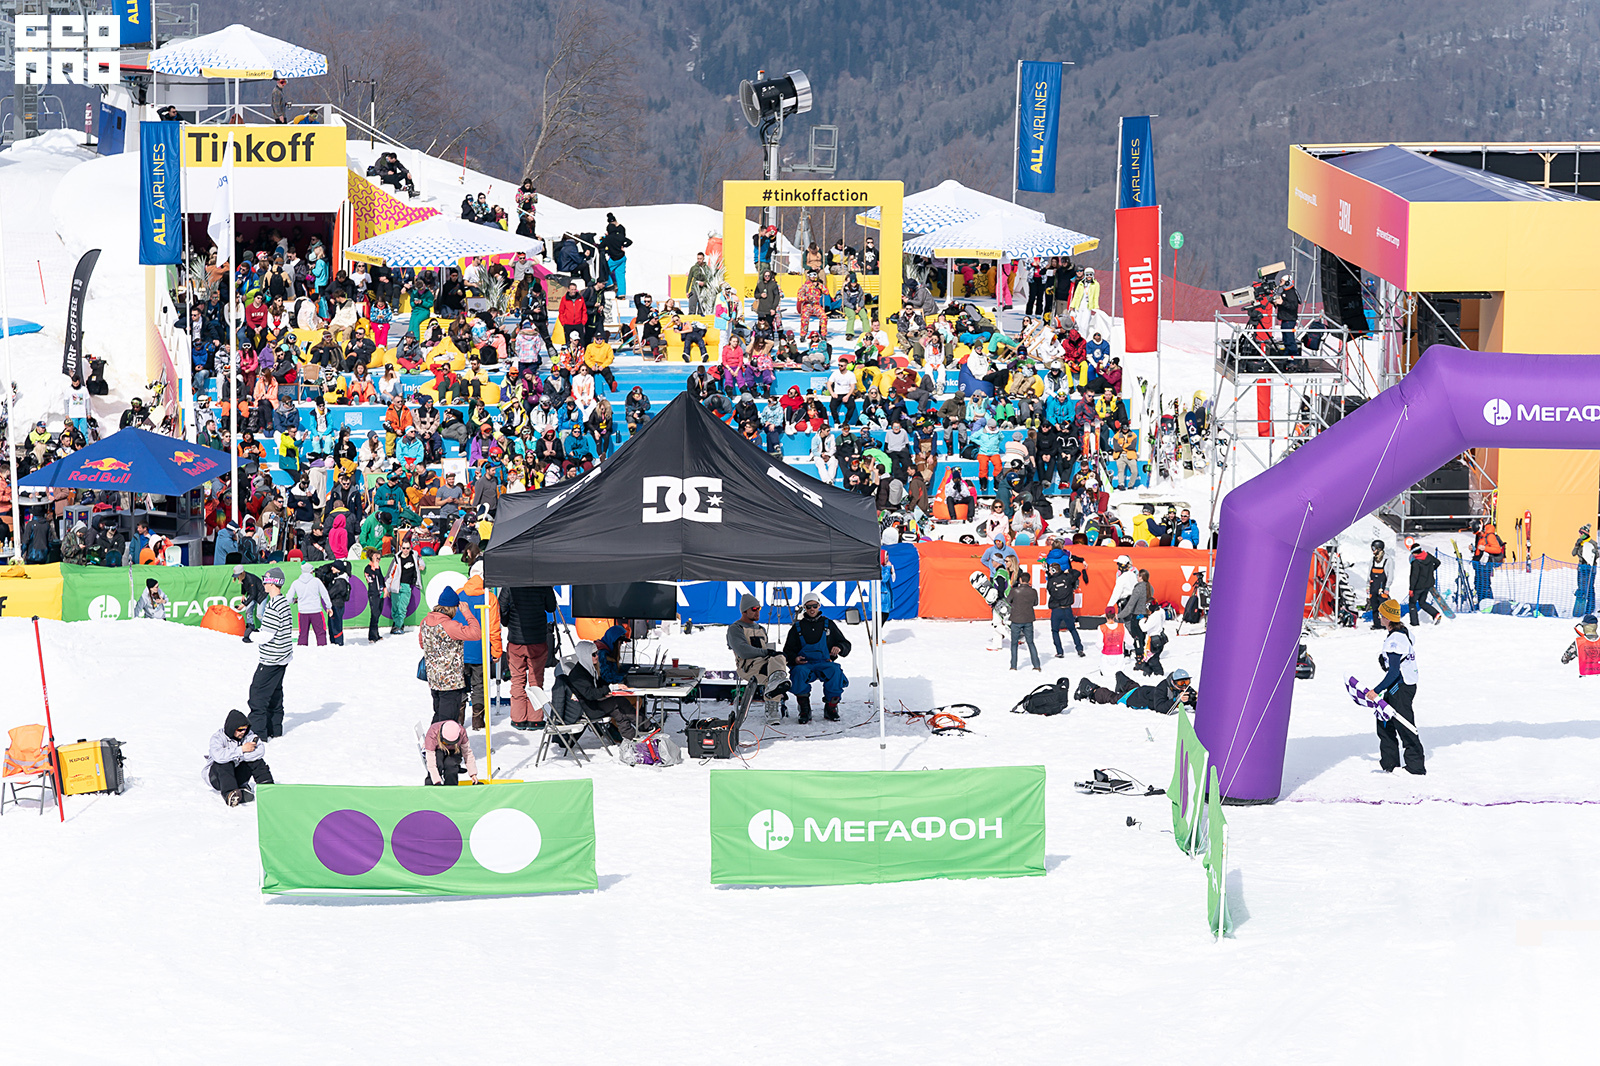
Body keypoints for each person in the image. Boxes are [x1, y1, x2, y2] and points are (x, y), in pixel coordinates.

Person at [1364, 597, 1425, 775]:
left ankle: (1415, 767)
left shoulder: (1396, 640)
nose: (1379, 617)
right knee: (1384, 722)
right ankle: (1389, 764)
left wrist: (1376, 691)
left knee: (1404, 724)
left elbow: (1393, 673)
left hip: (1400, 686)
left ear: (1388, 618)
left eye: (1381, 615)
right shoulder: (1403, 632)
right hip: (1398, 685)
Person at [549, 640, 646, 741]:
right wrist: (609, 689)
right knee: (619, 701)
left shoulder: (589, 669)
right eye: (593, 654)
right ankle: (645, 726)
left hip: (592, 704)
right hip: (588, 709)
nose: (597, 656)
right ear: (585, 656)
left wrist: (608, 690)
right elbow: (590, 694)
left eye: (597, 653)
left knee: (618, 712)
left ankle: (631, 737)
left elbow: (599, 684)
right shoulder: (579, 675)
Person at [782, 592, 852, 723]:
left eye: (814, 606)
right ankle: (804, 709)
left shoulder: (828, 624)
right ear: (804, 608)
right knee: (798, 673)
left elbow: (845, 644)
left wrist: (839, 647)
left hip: (824, 662)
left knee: (835, 671)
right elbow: (787, 651)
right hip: (805, 664)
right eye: (808, 607)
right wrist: (795, 659)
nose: (812, 609)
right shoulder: (797, 627)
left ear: (819, 605)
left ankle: (831, 707)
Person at [419, 585, 482, 725]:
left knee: (439, 715)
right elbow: (476, 633)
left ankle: (433, 738)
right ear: (454, 608)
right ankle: (441, 740)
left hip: (434, 679)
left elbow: (422, 643)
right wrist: (467, 613)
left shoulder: (425, 621)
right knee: (447, 722)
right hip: (450, 682)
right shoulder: (450, 626)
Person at [499, 584, 558, 731]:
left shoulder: (510, 583)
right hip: (537, 639)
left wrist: (507, 622)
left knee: (517, 680)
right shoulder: (542, 582)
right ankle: (535, 719)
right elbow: (551, 607)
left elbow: (501, 606)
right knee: (536, 680)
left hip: (516, 640)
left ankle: (518, 719)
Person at [246, 568, 295, 740]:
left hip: (271, 659)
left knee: (257, 696)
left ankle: (258, 735)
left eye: (265, 581)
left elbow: (267, 635)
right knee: (275, 694)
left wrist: (250, 635)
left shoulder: (273, 606)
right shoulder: (283, 602)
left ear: (273, 583)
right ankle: (274, 729)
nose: (263, 584)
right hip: (282, 657)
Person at [727, 592, 791, 719]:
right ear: (744, 611)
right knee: (775, 674)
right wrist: (766, 652)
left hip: (765, 664)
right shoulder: (736, 628)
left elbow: (767, 650)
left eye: (759, 608)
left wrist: (772, 653)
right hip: (748, 667)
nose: (757, 612)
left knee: (779, 659)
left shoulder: (761, 628)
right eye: (754, 609)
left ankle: (774, 691)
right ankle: (772, 706)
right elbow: (743, 651)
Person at [457, 562, 503, 731]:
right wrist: (497, 651)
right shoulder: (489, 597)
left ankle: (458, 718)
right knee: (480, 685)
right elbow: (494, 628)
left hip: (460, 649)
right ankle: (478, 720)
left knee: (460, 684)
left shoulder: (458, 593)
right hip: (480, 650)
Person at [204, 709, 275, 807]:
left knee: (256, 761)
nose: (243, 732)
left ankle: (268, 788)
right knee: (225, 762)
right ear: (232, 728)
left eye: (245, 729)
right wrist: (242, 750)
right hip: (217, 778)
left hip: (236, 774)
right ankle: (230, 794)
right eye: (240, 730)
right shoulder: (218, 738)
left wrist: (240, 756)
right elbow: (219, 756)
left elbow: (260, 751)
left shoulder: (249, 735)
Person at [1077, 667, 1196, 714]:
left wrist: (1196, 699)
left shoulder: (1184, 689)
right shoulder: (1163, 687)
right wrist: (1176, 700)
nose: (1184, 686)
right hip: (1136, 698)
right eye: (1181, 683)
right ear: (1173, 682)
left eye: (1187, 682)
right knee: (1112, 698)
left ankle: (1120, 677)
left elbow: (1195, 703)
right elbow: (1160, 708)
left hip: (1144, 690)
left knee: (1133, 686)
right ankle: (1089, 688)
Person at [1045, 557, 1086, 658]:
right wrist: (1068, 571)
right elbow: (1077, 573)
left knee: (1055, 631)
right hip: (1067, 609)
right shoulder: (1067, 577)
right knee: (1072, 629)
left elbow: (1050, 590)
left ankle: (1059, 651)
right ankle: (1079, 649)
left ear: (1053, 571)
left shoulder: (1051, 581)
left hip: (1056, 610)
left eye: (1050, 570)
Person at [422, 719, 479, 786]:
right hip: (437, 749)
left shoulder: (462, 732)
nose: (448, 745)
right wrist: (437, 781)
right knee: (437, 762)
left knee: (451, 764)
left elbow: (467, 753)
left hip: (455, 750)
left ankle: (451, 787)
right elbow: (431, 761)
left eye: (452, 743)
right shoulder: (433, 732)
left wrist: (473, 774)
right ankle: (431, 786)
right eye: (446, 742)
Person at [288, 561, 332, 646]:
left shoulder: (296, 583)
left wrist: (294, 600)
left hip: (303, 612)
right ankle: (322, 649)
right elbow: (325, 594)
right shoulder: (316, 581)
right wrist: (329, 606)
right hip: (316, 611)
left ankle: (302, 650)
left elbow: (289, 598)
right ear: (311, 571)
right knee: (320, 633)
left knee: (303, 634)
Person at [1007, 570, 1042, 671]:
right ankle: (1036, 665)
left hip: (1016, 619)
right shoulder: (1033, 591)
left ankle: (1013, 666)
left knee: (1014, 644)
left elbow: (1008, 601)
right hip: (1028, 619)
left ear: (1020, 580)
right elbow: (1035, 603)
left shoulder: (1015, 591)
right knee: (1030, 643)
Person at [1406, 545, 1442, 626]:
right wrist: (1430, 569)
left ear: (1414, 553)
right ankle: (1436, 614)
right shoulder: (1428, 555)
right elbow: (1438, 562)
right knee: (1422, 602)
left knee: (1412, 603)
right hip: (1428, 584)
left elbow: (1414, 577)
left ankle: (1414, 623)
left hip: (1418, 586)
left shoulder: (1416, 562)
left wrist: (1411, 589)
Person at [1472, 520, 1505, 606]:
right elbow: (1479, 549)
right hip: (1479, 564)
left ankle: (1489, 603)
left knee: (1485, 585)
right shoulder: (1480, 537)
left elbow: (1497, 549)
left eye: (1479, 533)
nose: (1478, 535)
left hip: (1486, 564)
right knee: (1478, 584)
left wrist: (1485, 548)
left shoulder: (1490, 536)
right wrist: (1473, 549)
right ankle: (1481, 603)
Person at [232, 565, 267, 642]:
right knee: (248, 611)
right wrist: (243, 595)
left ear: (242, 573)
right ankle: (250, 628)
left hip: (261, 595)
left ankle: (268, 629)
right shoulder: (242, 578)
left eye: (238, 575)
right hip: (252, 595)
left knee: (259, 615)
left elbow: (253, 594)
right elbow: (243, 585)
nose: (237, 577)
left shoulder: (250, 579)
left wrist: (243, 605)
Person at [1575, 524, 1598, 617]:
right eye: (1579, 533)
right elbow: (1573, 553)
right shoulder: (1580, 543)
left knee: (1590, 587)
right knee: (1581, 587)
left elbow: (1596, 556)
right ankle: (1581, 607)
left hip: (1590, 569)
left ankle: (1590, 608)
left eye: (1581, 533)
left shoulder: (1592, 543)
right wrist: (1577, 545)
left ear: (1586, 534)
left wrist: (1595, 552)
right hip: (1581, 568)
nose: (1580, 535)